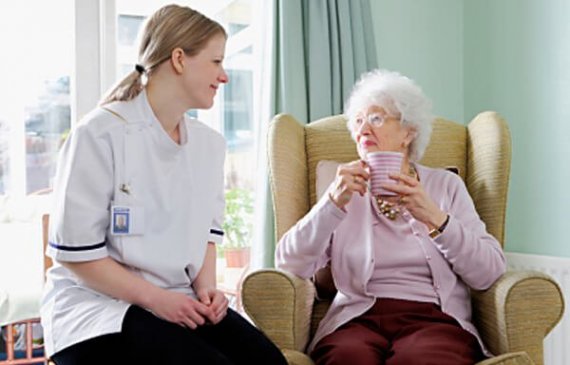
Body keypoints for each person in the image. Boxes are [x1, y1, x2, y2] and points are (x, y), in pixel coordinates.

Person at [41, 5, 286, 365]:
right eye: (216, 62)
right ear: (179, 59)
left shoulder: (209, 145)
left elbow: (207, 237)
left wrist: (207, 289)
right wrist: (158, 301)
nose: (224, 77)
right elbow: (78, 257)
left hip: (179, 296)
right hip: (98, 310)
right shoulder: (98, 134)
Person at [275, 69, 506, 365]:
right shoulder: (343, 187)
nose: (363, 130)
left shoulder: (445, 186)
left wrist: (436, 218)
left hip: (434, 318)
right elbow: (289, 262)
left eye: (376, 118)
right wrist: (331, 204)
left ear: (409, 132)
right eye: (358, 121)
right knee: (348, 357)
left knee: (421, 359)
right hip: (357, 317)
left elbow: (488, 272)